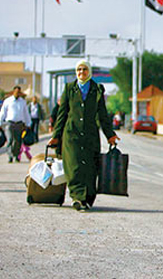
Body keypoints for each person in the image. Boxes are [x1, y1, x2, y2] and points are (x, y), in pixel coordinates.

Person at [48, 60, 119, 212]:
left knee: (90, 168)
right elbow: (62, 114)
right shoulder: (69, 88)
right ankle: (77, 198)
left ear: (90, 71)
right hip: (71, 134)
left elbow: (102, 114)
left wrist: (110, 135)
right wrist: (56, 135)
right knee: (73, 167)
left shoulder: (97, 89)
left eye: (84, 69)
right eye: (79, 69)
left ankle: (87, 198)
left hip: (90, 135)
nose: (81, 72)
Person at [0, 85, 31, 163]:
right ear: (13, 92)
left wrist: (28, 123)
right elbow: (3, 112)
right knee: (10, 140)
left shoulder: (23, 102)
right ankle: (10, 156)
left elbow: (26, 113)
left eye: (19, 92)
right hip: (10, 123)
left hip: (19, 124)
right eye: (16, 92)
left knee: (17, 141)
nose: (17, 93)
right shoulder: (8, 101)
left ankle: (16, 156)